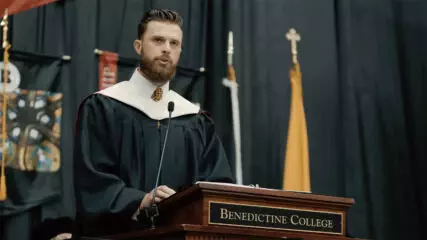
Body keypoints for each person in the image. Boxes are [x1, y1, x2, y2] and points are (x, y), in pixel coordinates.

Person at [72, 9, 235, 238]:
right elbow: (93, 180)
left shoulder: (194, 120)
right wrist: (140, 201)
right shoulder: (103, 107)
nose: (166, 48)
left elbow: (216, 188)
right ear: (138, 46)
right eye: (158, 40)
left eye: (174, 43)